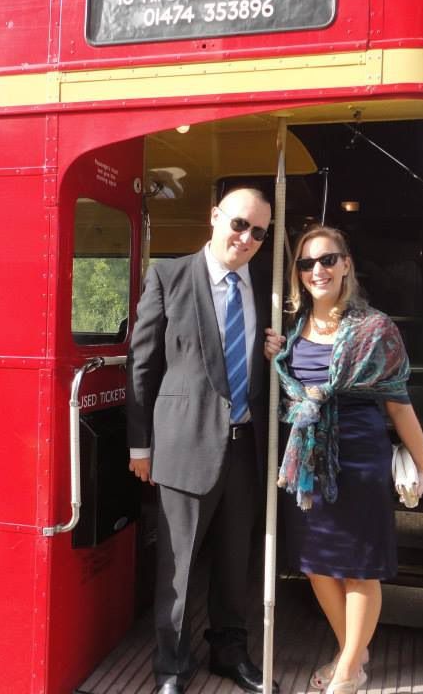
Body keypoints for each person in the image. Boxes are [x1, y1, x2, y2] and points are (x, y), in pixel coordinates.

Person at [263, 226, 423, 694]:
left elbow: (398, 402)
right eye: (306, 262)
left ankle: (346, 673)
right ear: (298, 273)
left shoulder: (375, 328)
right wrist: (273, 358)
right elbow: (288, 393)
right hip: (308, 463)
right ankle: (355, 652)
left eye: (327, 259)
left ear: (346, 265)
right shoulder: (293, 330)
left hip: (359, 460)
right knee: (317, 565)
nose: (317, 270)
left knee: (359, 568)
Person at [126, 187, 277, 694]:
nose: (247, 238)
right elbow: (142, 365)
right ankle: (170, 667)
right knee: (179, 568)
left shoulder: (268, 285)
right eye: (239, 224)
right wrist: (139, 446)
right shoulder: (168, 276)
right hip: (184, 446)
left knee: (238, 563)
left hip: (246, 446)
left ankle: (229, 654)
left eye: (258, 231)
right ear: (215, 217)